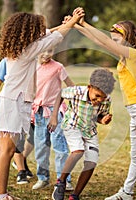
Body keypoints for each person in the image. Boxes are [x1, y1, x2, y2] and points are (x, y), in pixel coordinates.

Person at [0, 9, 84, 200]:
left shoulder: (20, 47)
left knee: (6, 150)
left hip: (13, 101)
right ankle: (1, 195)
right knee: (6, 150)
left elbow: (50, 33)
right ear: (29, 32)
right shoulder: (29, 50)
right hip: (13, 103)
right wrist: (73, 20)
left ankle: (0, 193)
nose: (41, 32)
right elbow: (55, 37)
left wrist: (68, 23)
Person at [73, 13, 136, 200]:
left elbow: (104, 40)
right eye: (112, 35)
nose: (112, 38)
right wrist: (77, 26)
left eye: (117, 36)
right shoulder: (125, 57)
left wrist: (85, 23)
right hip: (134, 110)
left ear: (128, 38)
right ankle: (127, 192)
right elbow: (101, 42)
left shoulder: (133, 54)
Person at [49, 68, 116, 200]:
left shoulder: (106, 100)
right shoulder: (77, 91)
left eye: (102, 97)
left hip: (89, 130)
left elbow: (98, 116)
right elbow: (61, 94)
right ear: (89, 87)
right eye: (97, 96)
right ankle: (61, 182)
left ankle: (75, 195)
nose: (99, 100)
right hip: (72, 125)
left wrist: (103, 120)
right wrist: (54, 116)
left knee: (91, 162)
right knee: (78, 151)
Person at [31, 48, 75, 191]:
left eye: (50, 50)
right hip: (38, 112)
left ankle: (64, 180)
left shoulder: (58, 67)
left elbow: (71, 87)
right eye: (43, 50)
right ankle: (43, 178)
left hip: (55, 111)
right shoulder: (32, 67)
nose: (47, 54)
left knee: (60, 146)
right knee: (41, 147)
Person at [0, 58, 34, 185]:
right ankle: (20, 170)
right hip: (10, 105)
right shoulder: (6, 62)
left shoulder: (31, 59)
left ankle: (21, 166)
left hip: (26, 106)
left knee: (23, 140)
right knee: (9, 146)